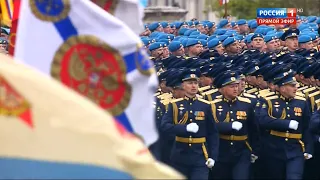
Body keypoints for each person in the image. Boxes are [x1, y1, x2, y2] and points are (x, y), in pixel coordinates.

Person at [161, 69, 219, 179]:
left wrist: (213, 156)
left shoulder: (205, 105)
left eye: (195, 83)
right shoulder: (174, 105)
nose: (193, 86)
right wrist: (184, 128)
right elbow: (165, 126)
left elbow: (213, 133)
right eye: (190, 83)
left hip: (200, 154)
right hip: (180, 154)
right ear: (182, 85)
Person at [259, 69, 313, 179]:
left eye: (295, 85)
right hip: (274, 147)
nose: (296, 88)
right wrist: (286, 124)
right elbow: (262, 120)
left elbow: (307, 126)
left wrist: (309, 148)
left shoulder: (302, 102)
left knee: (294, 177)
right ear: (283, 88)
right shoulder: (268, 101)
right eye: (292, 86)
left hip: (295, 147)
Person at [209, 70, 258, 179]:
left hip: (242, 149)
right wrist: (229, 126)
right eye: (231, 86)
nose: (235, 89)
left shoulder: (246, 104)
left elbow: (253, 128)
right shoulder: (212, 105)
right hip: (221, 149)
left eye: (236, 86)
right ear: (222, 89)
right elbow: (210, 127)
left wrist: (254, 150)